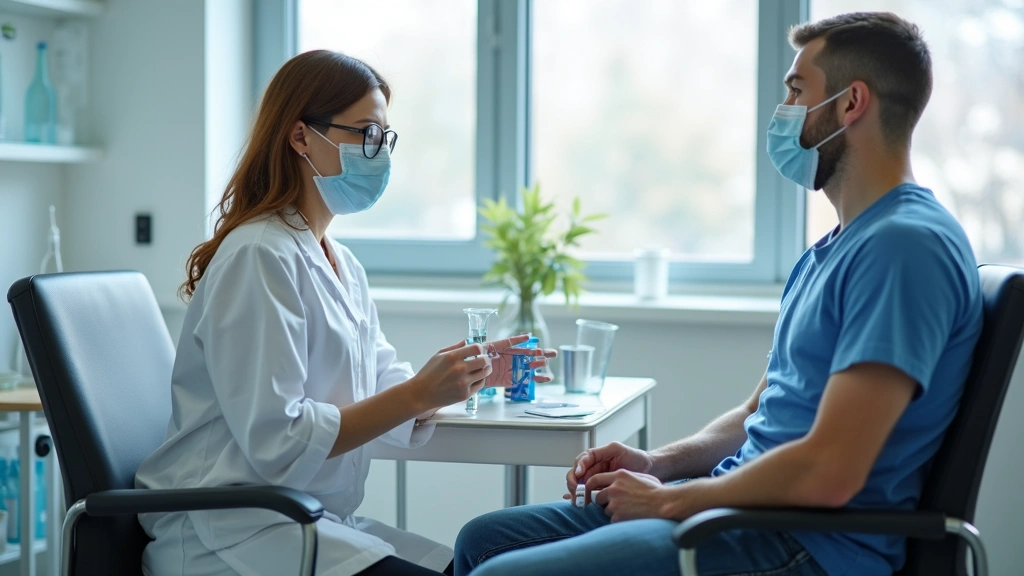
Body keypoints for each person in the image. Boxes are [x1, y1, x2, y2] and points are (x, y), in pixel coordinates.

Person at [454, 12, 983, 576]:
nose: (784, 111)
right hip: (746, 511)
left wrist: (669, 501)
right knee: (484, 541)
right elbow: (760, 410)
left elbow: (832, 472)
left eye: (797, 90)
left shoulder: (903, 249)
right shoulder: (840, 246)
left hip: (806, 542)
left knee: (499, 573)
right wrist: (657, 465)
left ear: (852, 104)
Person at [134, 50, 555, 576]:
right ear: (300, 137)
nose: (378, 153)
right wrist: (419, 393)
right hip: (230, 533)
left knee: (470, 564)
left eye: (384, 137)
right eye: (365, 133)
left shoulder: (340, 261)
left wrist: (462, 376)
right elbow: (277, 443)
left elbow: (377, 381)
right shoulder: (258, 255)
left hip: (306, 522)